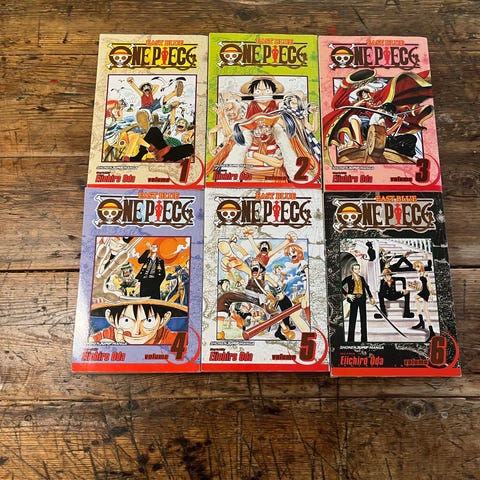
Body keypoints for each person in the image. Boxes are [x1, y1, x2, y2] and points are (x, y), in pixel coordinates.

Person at [342, 263, 376, 342]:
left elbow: (367, 288)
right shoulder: (348, 278)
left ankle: (364, 340)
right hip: (354, 299)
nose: (357, 270)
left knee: (363, 320)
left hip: (362, 299)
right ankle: (350, 340)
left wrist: (371, 297)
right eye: (355, 269)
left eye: (358, 269)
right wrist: (347, 294)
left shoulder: (362, 278)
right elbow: (339, 285)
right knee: (352, 320)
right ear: (352, 270)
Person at [410, 260, 436, 342]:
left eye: (417, 267)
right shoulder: (420, 274)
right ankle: (421, 321)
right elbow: (421, 285)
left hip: (426, 292)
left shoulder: (425, 274)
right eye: (415, 268)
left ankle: (431, 331)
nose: (416, 269)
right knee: (416, 298)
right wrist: (414, 285)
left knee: (425, 310)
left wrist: (431, 294)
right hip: (423, 291)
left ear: (420, 266)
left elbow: (429, 284)